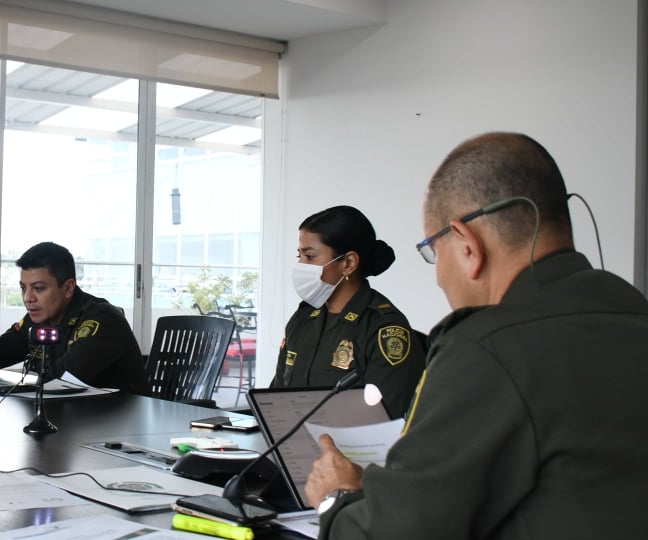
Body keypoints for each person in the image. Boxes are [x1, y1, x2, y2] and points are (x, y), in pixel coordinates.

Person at [305, 132, 648, 538]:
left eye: (432, 249)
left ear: (467, 244)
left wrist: (336, 498)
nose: (437, 274)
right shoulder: (631, 313)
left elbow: (394, 532)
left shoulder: (488, 347)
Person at [0, 241, 149, 395]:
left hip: (120, 426)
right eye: (23, 288)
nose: (28, 298)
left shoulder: (102, 320)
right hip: (73, 421)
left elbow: (62, 380)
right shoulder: (37, 319)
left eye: (39, 288)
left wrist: (19, 378)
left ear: (68, 287)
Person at [271, 205, 426, 418]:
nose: (301, 265)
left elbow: (385, 421)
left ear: (349, 263)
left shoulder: (384, 328)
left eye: (310, 256)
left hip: (352, 450)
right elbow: (275, 399)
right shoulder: (303, 318)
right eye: (300, 255)